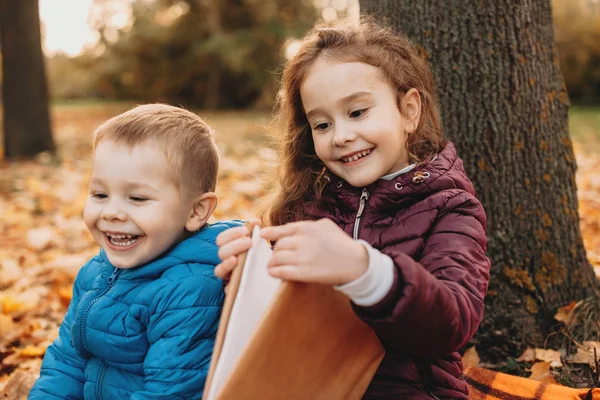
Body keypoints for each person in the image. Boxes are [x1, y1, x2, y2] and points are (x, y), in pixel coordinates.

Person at [215, 20, 491, 399]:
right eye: (323, 124)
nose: (341, 136)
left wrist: (367, 271)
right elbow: (283, 324)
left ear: (409, 111)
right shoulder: (306, 206)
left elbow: (453, 321)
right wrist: (248, 279)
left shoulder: (449, 206)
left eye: (358, 112)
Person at [29, 104, 240, 399]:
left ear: (196, 211)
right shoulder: (95, 274)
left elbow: (170, 392)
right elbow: (67, 362)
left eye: (137, 198)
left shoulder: (189, 291)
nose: (112, 212)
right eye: (100, 194)